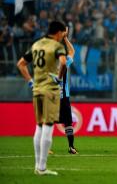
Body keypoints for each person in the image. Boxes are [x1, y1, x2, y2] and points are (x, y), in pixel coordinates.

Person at [16, 21, 67, 176]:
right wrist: (58, 78)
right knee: (49, 124)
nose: (64, 36)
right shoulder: (57, 46)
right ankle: (42, 168)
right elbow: (63, 62)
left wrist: (31, 82)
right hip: (50, 90)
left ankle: (38, 166)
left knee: (39, 125)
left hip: (37, 90)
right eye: (63, 33)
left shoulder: (36, 45)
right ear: (58, 32)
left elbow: (21, 64)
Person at [58, 28, 78, 154]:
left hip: (51, 95)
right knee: (68, 122)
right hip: (63, 96)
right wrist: (65, 38)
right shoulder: (65, 60)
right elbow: (72, 51)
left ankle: (45, 148)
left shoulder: (48, 62)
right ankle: (71, 147)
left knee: (47, 122)